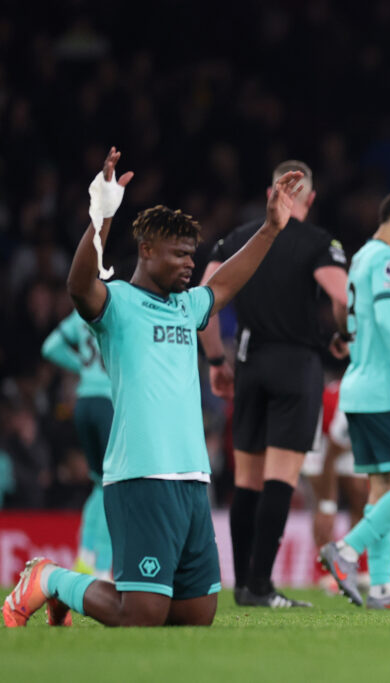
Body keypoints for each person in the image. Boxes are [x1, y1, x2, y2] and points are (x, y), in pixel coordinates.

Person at [3, 147, 305, 627]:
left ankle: (64, 586)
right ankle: (49, 579)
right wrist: (101, 215)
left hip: (192, 478)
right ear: (146, 250)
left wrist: (270, 229)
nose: (190, 264)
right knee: (141, 615)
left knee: (195, 615)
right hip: (140, 475)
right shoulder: (117, 303)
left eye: (192, 254)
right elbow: (79, 284)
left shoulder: (186, 306)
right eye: (180, 254)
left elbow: (226, 284)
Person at [198, 160, 350, 608]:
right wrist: (343, 333)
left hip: (248, 362)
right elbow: (343, 295)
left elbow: (202, 301)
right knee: (281, 478)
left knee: (246, 480)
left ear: (272, 192)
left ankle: (242, 583)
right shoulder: (319, 242)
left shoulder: (237, 237)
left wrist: (215, 361)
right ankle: (261, 586)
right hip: (296, 366)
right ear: (311, 198)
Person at [319, 190, 390, 610]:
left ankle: (382, 589)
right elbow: (388, 322)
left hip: (359, 388)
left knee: (384, 488)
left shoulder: (361, 258)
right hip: (384, 391)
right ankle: (346, 552)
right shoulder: (388, 260)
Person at [42, 310, 114, 579]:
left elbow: (50, 347)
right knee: (112, 485)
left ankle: (85, 555)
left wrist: (84, 367)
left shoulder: (80, 313)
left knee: (99, 482)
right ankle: (103, 567)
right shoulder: (116, 307)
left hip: (83, 403)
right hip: (108, 402)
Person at [303, 379, 370, 594]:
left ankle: (358, 567)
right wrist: (329, 504)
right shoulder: (351, 409)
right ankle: (327, 573)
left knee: (361, 496)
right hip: (319, 442)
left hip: (349, 442)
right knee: (322, 507)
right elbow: (329, 459)